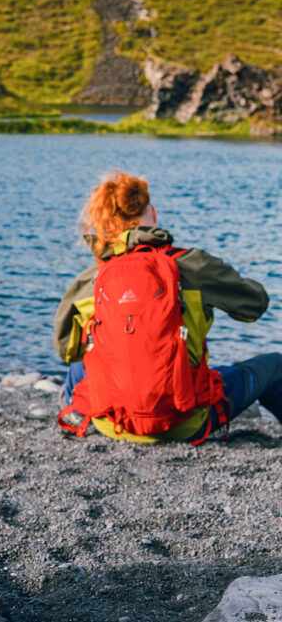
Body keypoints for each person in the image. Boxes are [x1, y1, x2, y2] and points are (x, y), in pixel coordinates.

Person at [54, 170, 282, 443]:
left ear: (109, 223)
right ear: (152, 212)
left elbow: (64, 349)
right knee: (276, 365)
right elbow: (255, 305)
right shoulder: (192, 264)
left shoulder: (94, 277)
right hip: (185, 423)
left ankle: (80, 413)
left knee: (87, 351)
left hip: (111, 424)